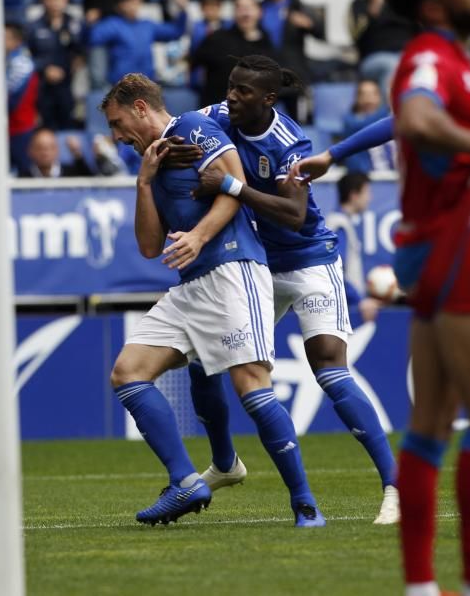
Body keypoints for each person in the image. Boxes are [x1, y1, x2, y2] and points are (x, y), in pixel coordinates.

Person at [173, 56, 400, 525]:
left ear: (269, 100)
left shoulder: (288, 143)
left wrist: (232, 185)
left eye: (243, 92)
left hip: (309, 261)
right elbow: (185, 133)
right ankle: (223, 463)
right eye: (231, 87)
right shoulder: (218, 118)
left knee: (330, 370)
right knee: (202, 360)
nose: (231, 97)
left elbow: (294, 215)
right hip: (256, 267)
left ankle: (395, 486)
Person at [102, 73, 324, 527]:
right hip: (191, 286)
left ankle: (305, 504)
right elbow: (148, 247)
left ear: (141, 108)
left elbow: (235, 182)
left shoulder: (190, 128)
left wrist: (200, 236)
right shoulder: (152, 159)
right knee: (128, 372)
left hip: (232, 269)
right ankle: (185, 480)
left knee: (251, 385)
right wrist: (144, 183)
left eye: (117, 121)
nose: (115, 134)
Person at [382, 0, 470, 596]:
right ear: (434, 0)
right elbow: (415, 118)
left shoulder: (446, 56)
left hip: (434, 247)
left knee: (431, 424)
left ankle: (421, 587)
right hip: (458, 245)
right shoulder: (432, 57)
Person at [85, 0, 187, 86]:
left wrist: (182, 9)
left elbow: (176, 32)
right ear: (120, 5)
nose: (134, 4)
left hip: (146, 85)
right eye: (129, 1)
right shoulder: (112, 24)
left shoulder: (147, 25)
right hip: (121, 87)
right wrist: (90, 23)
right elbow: (92, 37)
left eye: (136, 0)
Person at [191, 0, 278, 107]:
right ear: (234, 13)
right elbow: (193, 63)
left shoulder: (267, 43)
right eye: (240, 8)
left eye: (249, 8)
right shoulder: (217, 39)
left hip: (253, 115)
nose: (245, 13)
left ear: (259, 12)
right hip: (218, 112)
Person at [327, 171, 386, 327]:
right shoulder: (339, 225)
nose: (370, 198)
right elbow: (335, 270)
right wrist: (359, 301)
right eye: (367, 192)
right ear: (354, 195)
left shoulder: (340, 223)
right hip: (345, 312)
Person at [27, 0, 82, 130]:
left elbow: (82, 51)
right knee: (45, 127)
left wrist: (75, 65)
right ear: (43, 0)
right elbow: (26, 56)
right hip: (42, 86)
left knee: (69, 126)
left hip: (68, 85)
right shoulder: (33, 27)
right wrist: (44, 68)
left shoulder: (75, 24)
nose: (55, 2)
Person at [6, 22, 40, 174]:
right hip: (7, 127)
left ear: (16, 41)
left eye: (4, 37)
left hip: (20, 127)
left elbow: (11, 100)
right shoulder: (5, 61)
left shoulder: (21, 64)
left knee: (24, 172)